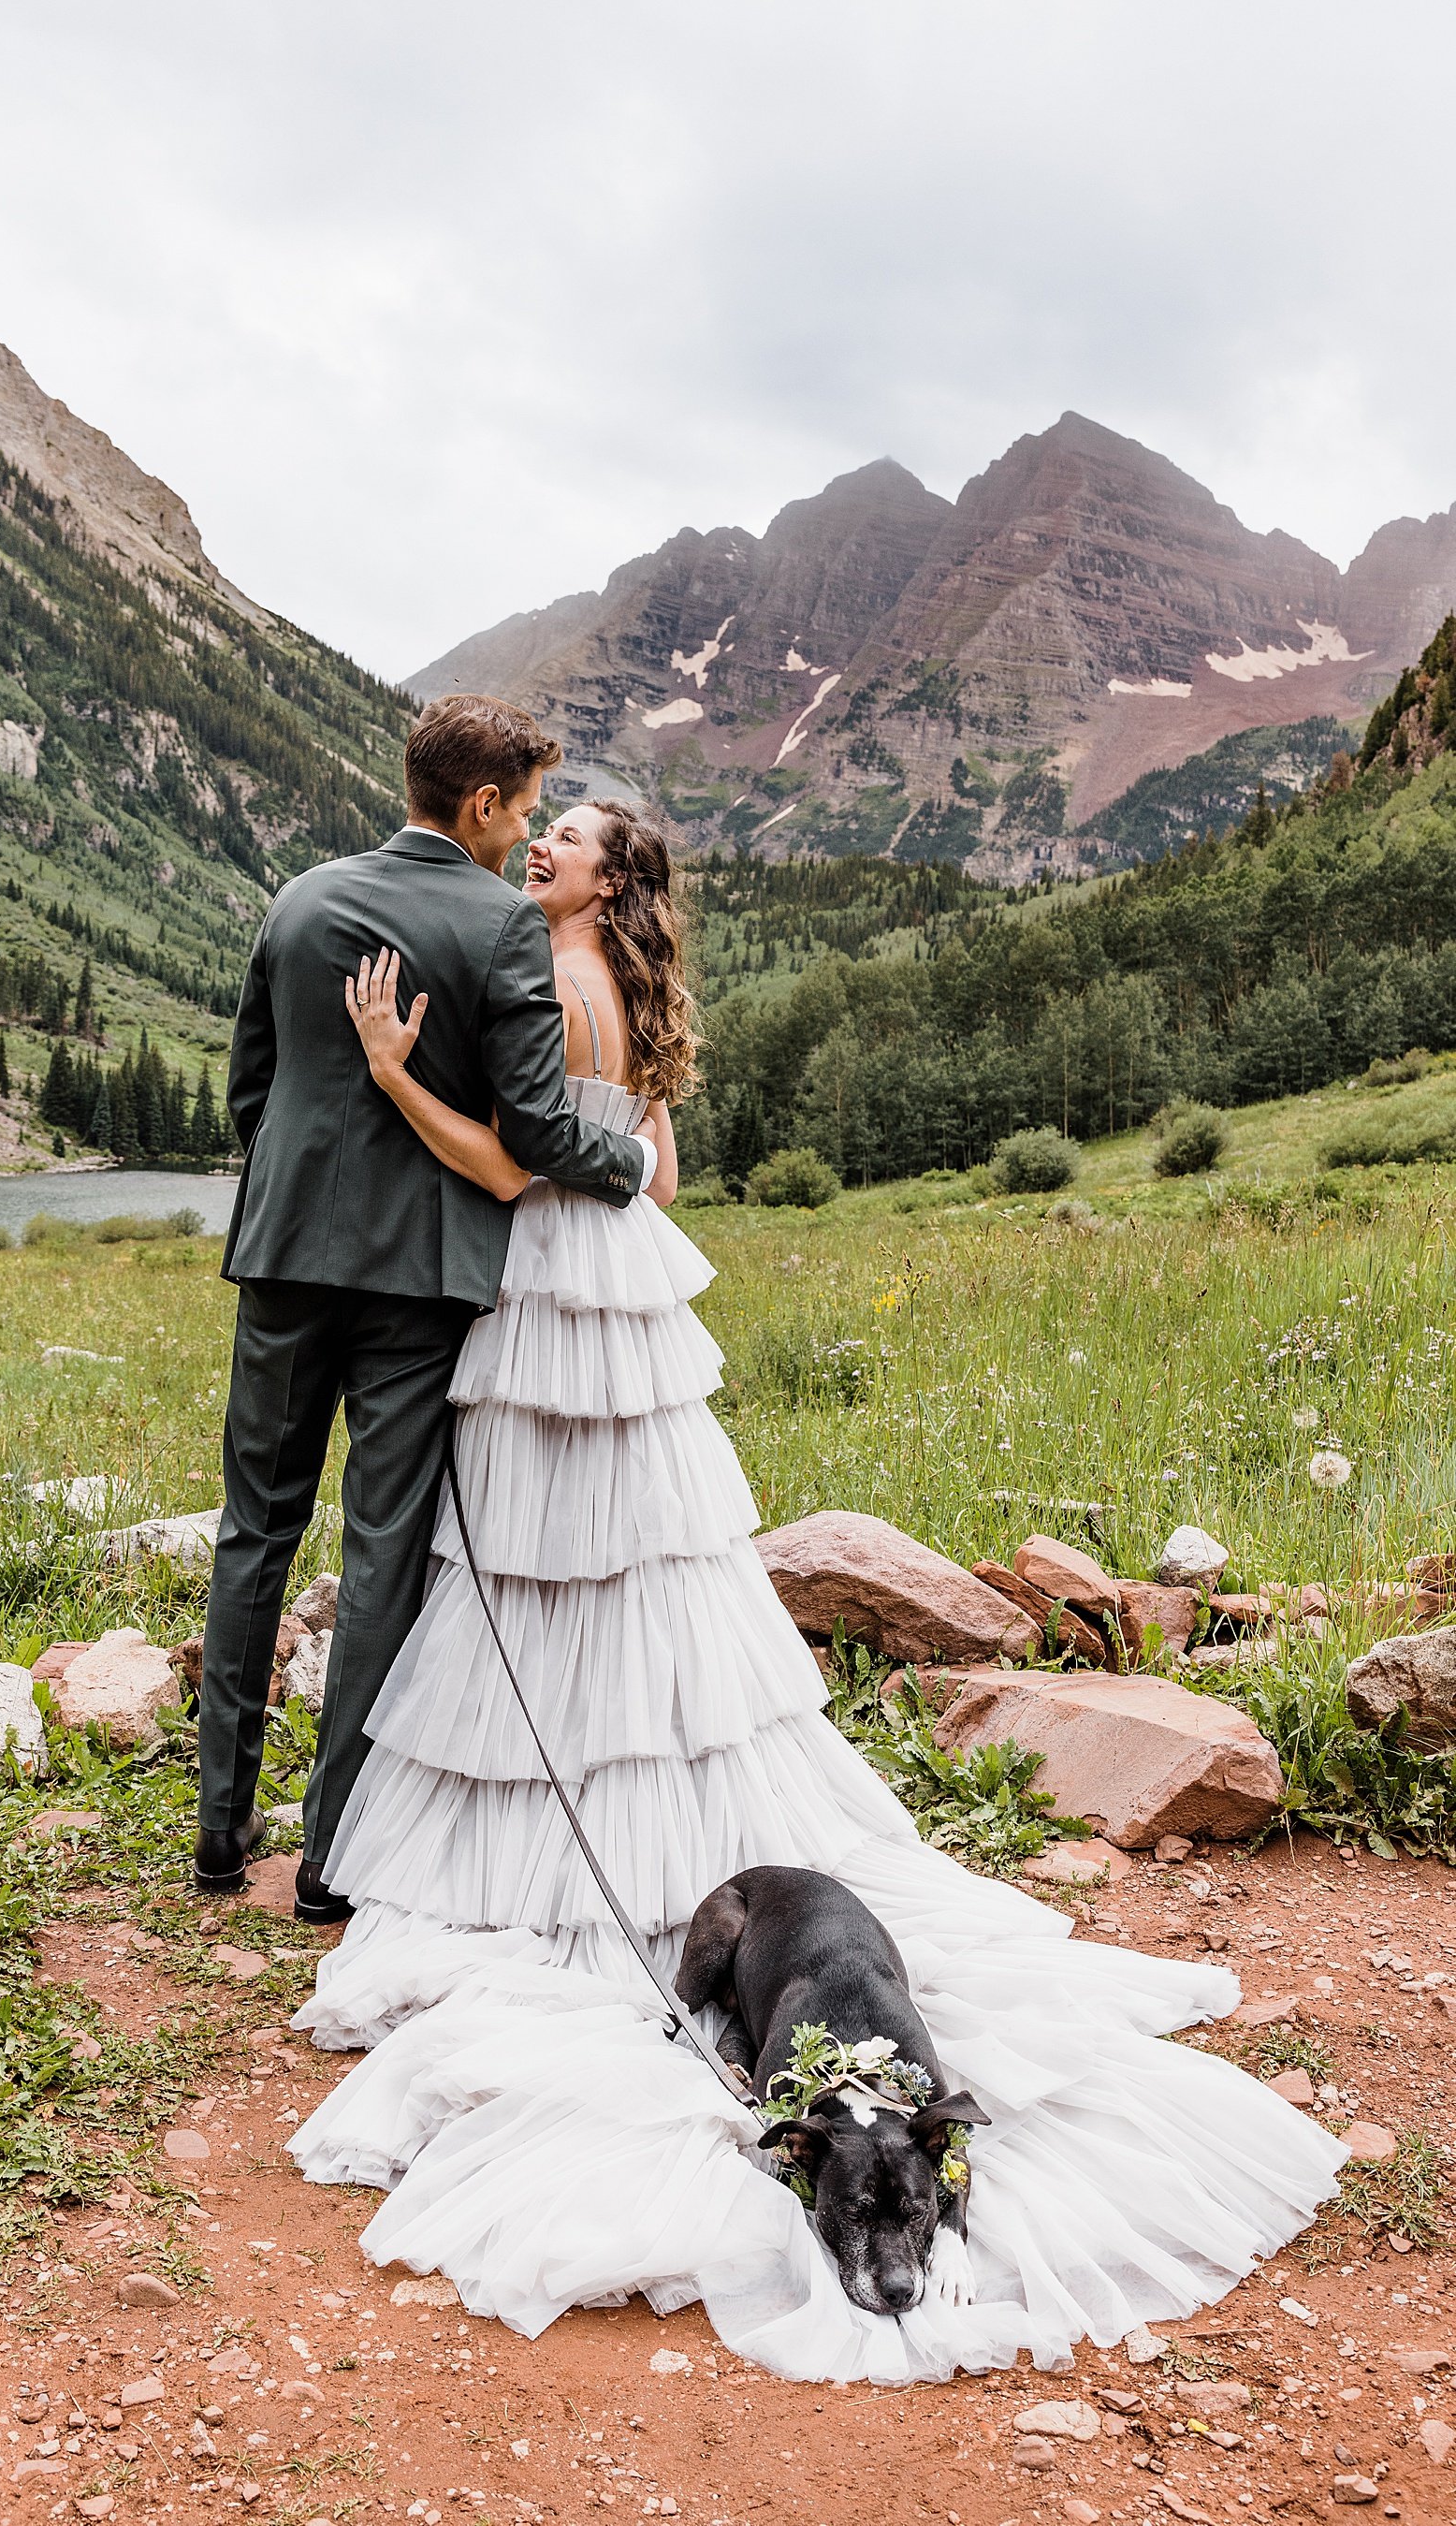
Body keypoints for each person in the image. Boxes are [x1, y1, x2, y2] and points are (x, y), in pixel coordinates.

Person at [285, 788, 1349, 2386]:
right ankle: (649, 1784)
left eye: (568, 836)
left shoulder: (553, 976)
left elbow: (518, 1170)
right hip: (624, 1288)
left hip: (557, 1285)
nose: (547, 848)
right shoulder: (632, 993)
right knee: (640, 1562)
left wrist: (383, 1074)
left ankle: (562, 1817)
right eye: (547, 826)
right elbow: (650, 1160)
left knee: (552, 1555)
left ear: (604, 876)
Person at [194, 698, 655, 1919]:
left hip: (285, 1262)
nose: (528, 834)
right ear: (485, 806)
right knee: (381, 1552)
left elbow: (253, 1088)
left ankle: (216, 1836)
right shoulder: (500, 925)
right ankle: (332, 1864)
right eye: (523, 809)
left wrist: (307, 1192)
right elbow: (538, 1128)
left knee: (255, 1534)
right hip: (418, 1285)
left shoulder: (299, 898)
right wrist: (637, 1169)